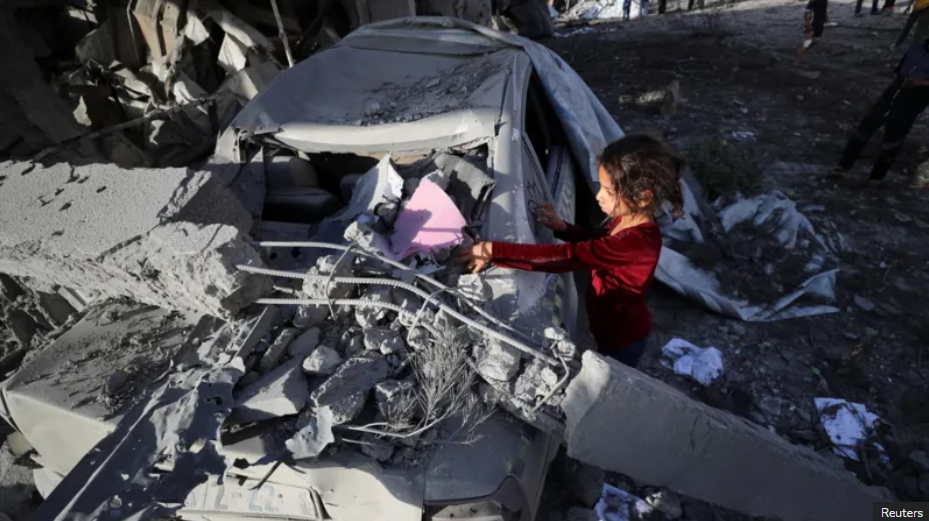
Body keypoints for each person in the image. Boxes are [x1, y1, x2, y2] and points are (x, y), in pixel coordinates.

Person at [455, 135, 684, 369]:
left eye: (608, 191)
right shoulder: (627, 219)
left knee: (609, 376)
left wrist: (494, 250)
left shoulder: (637, 243)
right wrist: (563, 228)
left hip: (622, 337)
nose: (598, 196)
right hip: (607, 325)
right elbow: (598, 243)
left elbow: (568, 257)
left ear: (644, 197)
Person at [829, 38, 929, 186]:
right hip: (895, 91)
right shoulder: (917, 48)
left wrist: (925, 83)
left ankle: (876, 178)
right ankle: (843, 167)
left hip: (914, 99)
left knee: (893, 140)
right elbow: (900, 70)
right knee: (864, 129)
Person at [796, 0, 828, 65]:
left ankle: (800, 53)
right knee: (808, 43)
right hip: (812, 24)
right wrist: (808, 25)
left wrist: (825, 18)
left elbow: (824, 10)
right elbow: (806, 14)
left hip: (819, 24)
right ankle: (798, 61)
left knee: (815, 41)